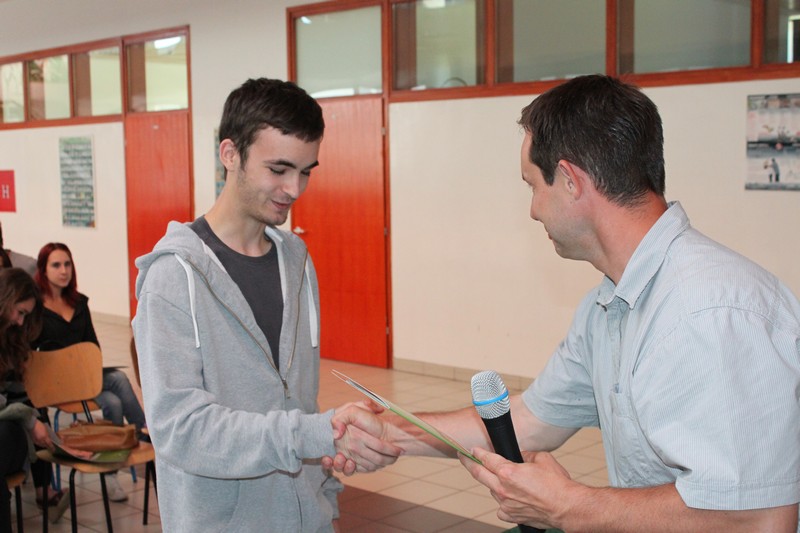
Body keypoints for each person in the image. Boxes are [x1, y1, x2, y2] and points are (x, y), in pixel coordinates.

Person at [329, 75, 800, 531]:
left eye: (533, 185)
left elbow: (759, 520)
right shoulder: (607, 306)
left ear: (571, 181)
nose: (533, 209)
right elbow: (530, 422)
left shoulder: (711, 313)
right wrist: (393, 432)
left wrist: (569, 507)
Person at [132, 77, 399, 532]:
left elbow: (301, 400)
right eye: (278, 169)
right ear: (230, 154)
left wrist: (325, 489)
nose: (294, 189)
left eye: (306, 171)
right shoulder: (173, 277)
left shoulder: (296, 262)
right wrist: (312, 434)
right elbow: (181, 431)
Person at [32, 242, 146, 502]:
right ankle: (145, 434)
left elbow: (93, 346)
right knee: (117, 382)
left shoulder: (80, 303)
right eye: (56, 265)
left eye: (67, 264)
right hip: (54, 383)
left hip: (83, 379)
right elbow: (34, 355)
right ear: (43, 269)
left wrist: (84, 363)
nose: (64, 271)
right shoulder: (36, 309)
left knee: (114, 396)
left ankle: (111, 472)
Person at [0, 268, 70, 529]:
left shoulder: (11, 338)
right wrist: (29, 421)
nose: (20, 322)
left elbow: (23, 401)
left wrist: (56, 442)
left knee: (11, 433)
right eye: (20, 312)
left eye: (25, 316)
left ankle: (43, 490)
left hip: (7, 433)